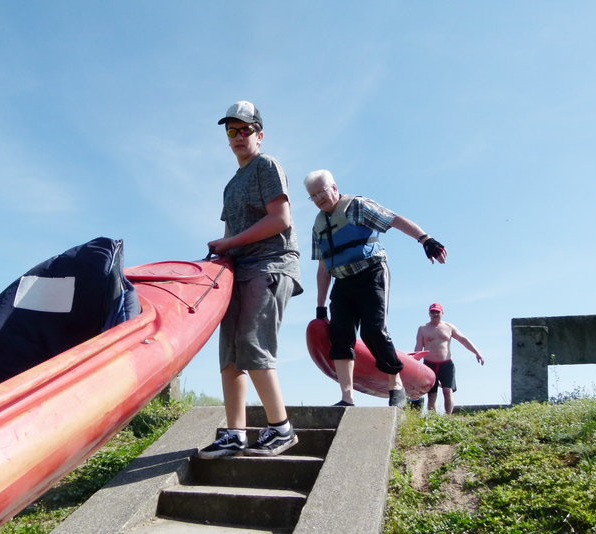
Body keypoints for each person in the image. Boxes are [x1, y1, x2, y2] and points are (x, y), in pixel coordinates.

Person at [198, 101, 303, 459]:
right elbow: (231, 231)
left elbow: (280, 219)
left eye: (246, 130)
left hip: (271, 264)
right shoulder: (231, 186)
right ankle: (234, 433)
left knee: (252, 343)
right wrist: (219, 259)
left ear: (259, 134)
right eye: (232, 130)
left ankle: (281, 429)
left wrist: (229, 243)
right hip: (239, 271)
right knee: (230, 352)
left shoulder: (266, 165)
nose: (239, 136)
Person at [304, 169, 446, 408]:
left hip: (371, 273)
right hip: (343, 281)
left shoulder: (356, 207)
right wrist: (320, 305)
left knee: (373, 331)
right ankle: (347, 397)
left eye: (322, 191)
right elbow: (323, 267)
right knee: (340, 337)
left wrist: (425, 239)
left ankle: (396, 385)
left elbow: (394, 219)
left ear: (335, 188)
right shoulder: (318, 227)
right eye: (313, 195)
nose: (319, 198)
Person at [414, 302, 485, 414]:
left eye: (437, 312)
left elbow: (463, 340)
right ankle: (434, 420)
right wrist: (414, 364)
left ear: (442, 313)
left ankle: (448, 418)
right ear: (429, 313)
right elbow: (418, 347)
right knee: (432, 395)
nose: (435, 314)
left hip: (446, 364)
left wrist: (477, 352)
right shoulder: (423, 329)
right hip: (429, 364)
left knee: (448, 391)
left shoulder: (449, 327)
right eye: (432, 312)